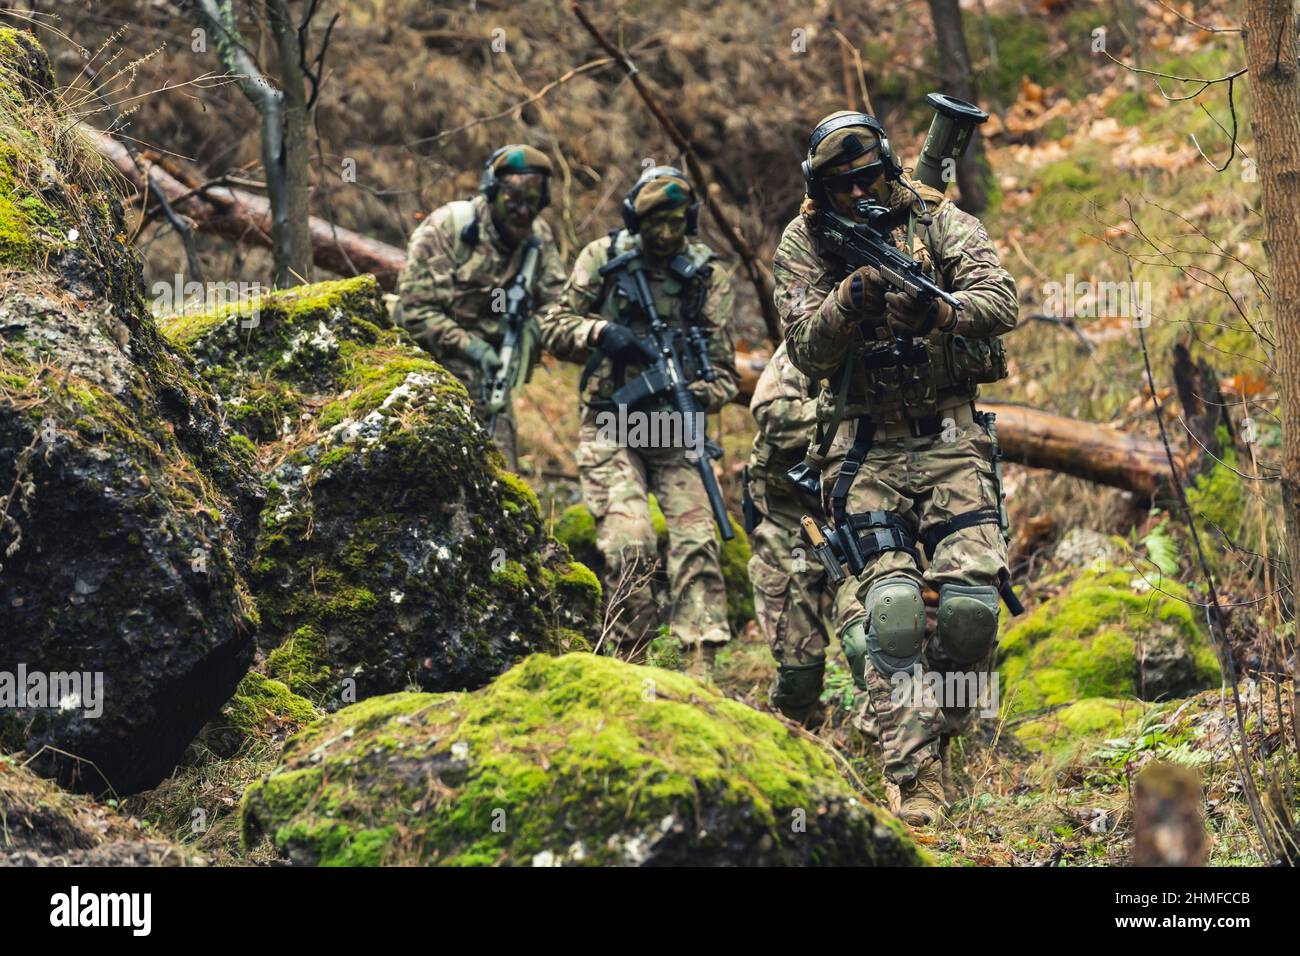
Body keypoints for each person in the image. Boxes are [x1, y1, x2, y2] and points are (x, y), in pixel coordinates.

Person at [775, 111, 1018, 825]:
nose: (861, 194)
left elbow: (999, 301)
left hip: (950, 438)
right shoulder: (807, 240)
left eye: (872, 178)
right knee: (894, 612)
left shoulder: (939, 221)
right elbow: (804, 350)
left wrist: (940, 317)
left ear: (889, 168)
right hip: (862, 447)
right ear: (823, 190)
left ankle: (944, 730)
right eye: (843, 186)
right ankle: (917, 782)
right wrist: (847, 303)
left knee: (970, 614)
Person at [540, 166, 738, 673]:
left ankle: (701, 668)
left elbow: (725, 376)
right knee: (631, 543)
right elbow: (553, 326)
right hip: (611, 422)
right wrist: (601, 332)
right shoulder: (603, 259)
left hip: (675, 431)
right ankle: (630, 663)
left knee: (698, 541)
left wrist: (692, 392)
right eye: (656, 224)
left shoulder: (706, 276)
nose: (667, 234)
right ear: (636, 220)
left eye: (676, 222)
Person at [397, 144, 566, 469]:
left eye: (532, 203)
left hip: (493, 378)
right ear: (492, 191)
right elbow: (415, 311)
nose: (522, 212)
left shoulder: (537, 239)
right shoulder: (448, 228)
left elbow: (559, 306)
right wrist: (472, 348)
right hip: (427, 365)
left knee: (501, 479)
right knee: (430, 466)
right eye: (513, 200)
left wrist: (532, 333)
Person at [744, 342, 835, 724]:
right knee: (801, 673)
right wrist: (840, 413)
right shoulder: (814, 340)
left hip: (862, 515)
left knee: (877, 636)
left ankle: (891, 753)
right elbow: (772, 413)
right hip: (789, 517)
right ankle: (797, 732)